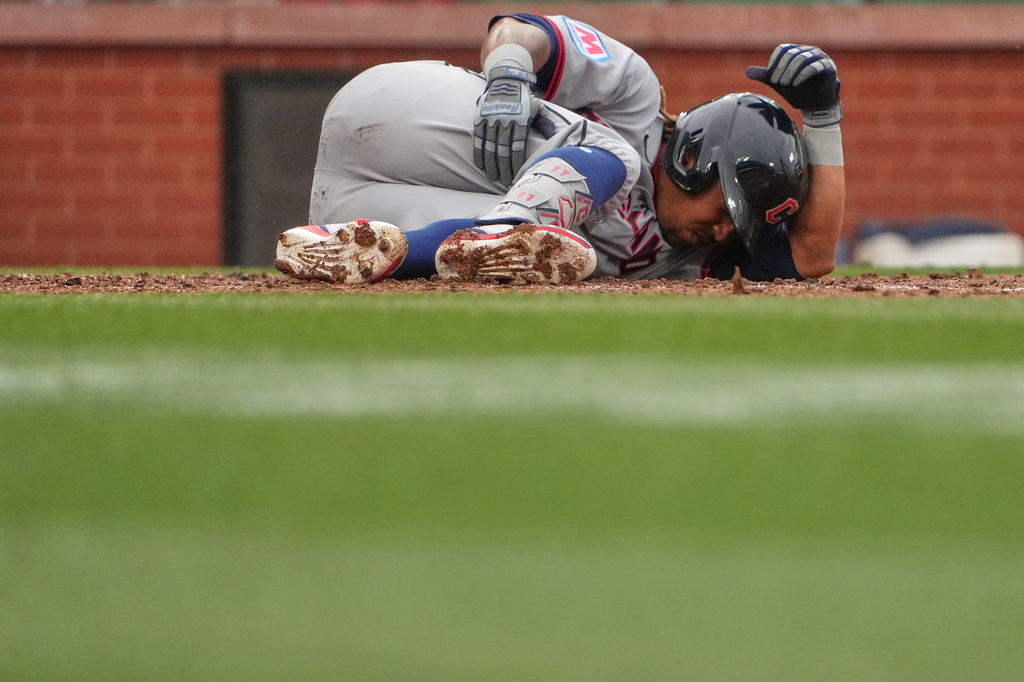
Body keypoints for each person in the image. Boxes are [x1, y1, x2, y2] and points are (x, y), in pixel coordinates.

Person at [275, 13, 845, 285]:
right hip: (403, 114)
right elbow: (523, 29)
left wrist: (823, 117)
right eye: (725, 210)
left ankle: (365, 250)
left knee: (543, 251)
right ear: (694, 158)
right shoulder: (638, 97)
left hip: (364, 202)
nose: (723, 233)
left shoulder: (692, 253)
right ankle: (506, 233)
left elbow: (812, 258)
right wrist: (507, 72)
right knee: (616, 160)